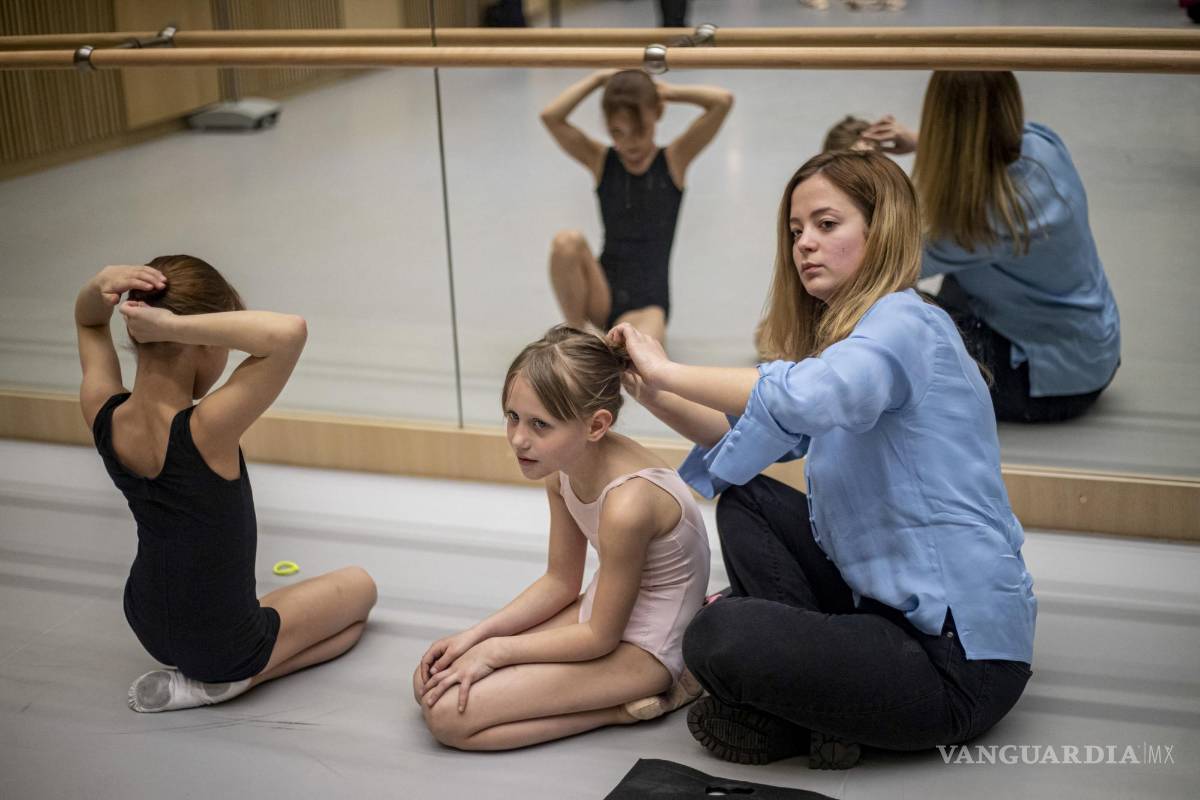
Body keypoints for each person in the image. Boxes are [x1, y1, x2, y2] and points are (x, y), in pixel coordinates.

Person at [613, 150, 1036, 770]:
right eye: (795, 232)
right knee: (750, 501)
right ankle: (820, 706)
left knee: (715, 634)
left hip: (959, 664)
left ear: (880, 228)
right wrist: (654, 391)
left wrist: (668, 365)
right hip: (885, 616)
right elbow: (748, 433)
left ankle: (799, 710)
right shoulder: (858, 342)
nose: (803, 244)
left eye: (826, 225)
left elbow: (809, 394)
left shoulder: (905, 325)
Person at [75, 256, 377, 712]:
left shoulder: (104, 411)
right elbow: (288, 332)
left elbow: (88, 323)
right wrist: (177, 326)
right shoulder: (205, 428)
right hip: (219, 641)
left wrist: (100, 285)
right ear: (199, 341)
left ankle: (231, 673)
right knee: (361, 589)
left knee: (340, 629)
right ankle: (231, 682)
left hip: (146, 620)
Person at [413, 326, 710, 750]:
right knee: (430, 680)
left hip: (648, 649)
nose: (518, 439)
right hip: (600, 614)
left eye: (540, 424)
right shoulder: (564, 470)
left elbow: (600, 638)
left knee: (448, 719)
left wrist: (497, 652)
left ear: (596, 425)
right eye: (512, 417)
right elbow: (560, 581)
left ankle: (644, 700)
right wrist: (475, 637)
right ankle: (603, 698)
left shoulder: (628, 504)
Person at [863, 71, 1120, 423]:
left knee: (873, 309)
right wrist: (919, 139)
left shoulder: (988, 217)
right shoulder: (1040, 143)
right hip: (1086, 352)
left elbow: (883, 266)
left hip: (1041, 381)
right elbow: (984, 138)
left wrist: (858, 182)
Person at [541, 69, 733, 345]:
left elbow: (722, 101)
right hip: (601, 291)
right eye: (617, 132)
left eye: (639, 130)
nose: (629, 143)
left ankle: (599, 344)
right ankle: (576, 339)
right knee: (566, 243)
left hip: (647, 304)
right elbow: (551, 117)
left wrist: (667, 92)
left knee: (640, 356)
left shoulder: (674, 160)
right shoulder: (600, 159)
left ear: (657, 114)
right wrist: (598, 80)